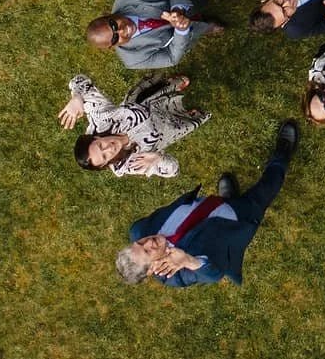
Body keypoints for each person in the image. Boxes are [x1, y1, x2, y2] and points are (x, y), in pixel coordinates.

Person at [115, 123, 302, 287]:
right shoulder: (176, 275)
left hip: (208, 206)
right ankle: (282, 154)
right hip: (235, 221)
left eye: (140, 243)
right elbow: (215, 274)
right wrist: (188, 260)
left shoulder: (139, 229)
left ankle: (228, 198)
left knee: (223, 201)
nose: (149, 242)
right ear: (151, 270)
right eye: (148, 251)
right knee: (267, 187)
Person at [62, 72, 208, 178]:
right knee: (184, 119)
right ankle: (185, 113)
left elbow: (80, 80)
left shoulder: (101, 119)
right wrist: (158, 158)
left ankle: (172, 84)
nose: (109, 148)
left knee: (169, 84)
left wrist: (77, 97)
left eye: (101, 146)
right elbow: (174, 170)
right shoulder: (130, 164)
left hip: (146, 99)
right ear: (104, 164)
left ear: (95, 138)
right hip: (167, 128)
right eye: (105, 156)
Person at [87, 0, 221, 72]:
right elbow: (171, 58)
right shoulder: (133, 60)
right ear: (112, 47)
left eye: (113, 25)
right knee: (199, 27)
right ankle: (204, 24)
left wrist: (178, 9)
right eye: (115, 38)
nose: (122, 30)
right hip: (185, 35)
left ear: (108, 15)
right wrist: (181, 30)